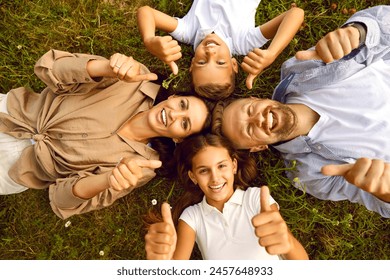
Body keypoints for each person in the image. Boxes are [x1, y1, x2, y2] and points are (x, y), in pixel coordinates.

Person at [212, 5, 390, 218]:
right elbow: (380, 204)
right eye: (249, 130)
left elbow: (383, 21)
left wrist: (358, 31)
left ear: (256, 98)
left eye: (250, 110)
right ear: (258, 147)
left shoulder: (300, 68)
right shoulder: (309, 176)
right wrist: (386, 194)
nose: (258, 118)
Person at [0, 49, 213, 219]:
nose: (175, 114)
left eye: (184, 123)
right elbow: (49, 68)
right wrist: (106, 68)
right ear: (173, 96)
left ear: (179, 139)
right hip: (12, 112)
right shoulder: (136, 79)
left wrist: (108, 180)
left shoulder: (142, 167)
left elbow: (61, 200)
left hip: (16, 169)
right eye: (181, 104)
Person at [144, 133, 308, 260]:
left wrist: (288, 242)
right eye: (203, 170)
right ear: (193, 177)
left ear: (234, 166)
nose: (215, 178)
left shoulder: (255, 199)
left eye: (221, 166)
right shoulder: (192, 217)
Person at [137, 1, 304, 100]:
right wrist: (272, 54)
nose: (211, 53)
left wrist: (149, 40)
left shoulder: (188, 31)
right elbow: (295, 14)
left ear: (192, 64)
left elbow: (146, 12)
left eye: (202, 62)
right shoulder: (242, 42)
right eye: (220, 62)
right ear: (234, 64)